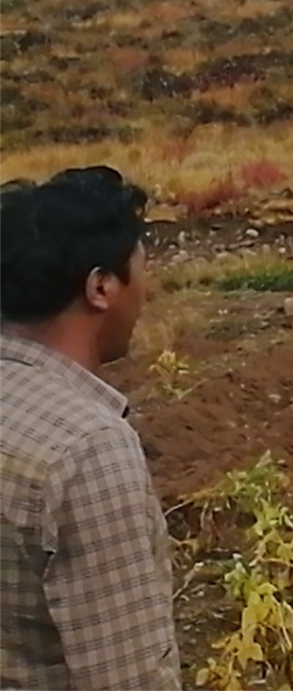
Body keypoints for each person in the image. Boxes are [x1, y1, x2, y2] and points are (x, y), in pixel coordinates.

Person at [1, 167, 180, 691]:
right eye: (139, 271)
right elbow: (126, 678)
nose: (145, 293)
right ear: (100, 287)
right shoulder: (87, 448)